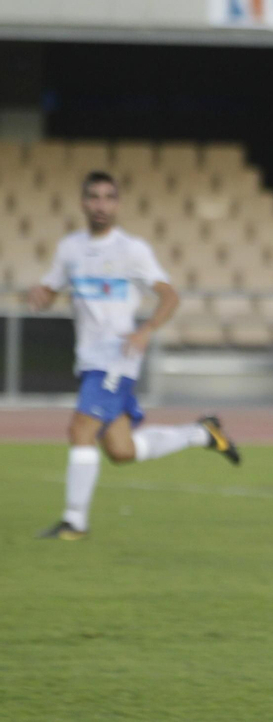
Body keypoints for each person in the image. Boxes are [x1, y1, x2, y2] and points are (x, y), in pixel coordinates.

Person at [32, 171, 240, 541]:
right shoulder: (70, 249)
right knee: (121, 449)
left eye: (108, 197)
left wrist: (146, 330)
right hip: (88, 360)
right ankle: (201, 433)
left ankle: (74, 522)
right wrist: (42, 295)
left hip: (116, 357)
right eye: (94, 197)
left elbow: (170, 295)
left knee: (80, 429)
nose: (101, 204)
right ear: (83, 202)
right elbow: (50, 288)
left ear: (118, 204)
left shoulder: (131, 250)